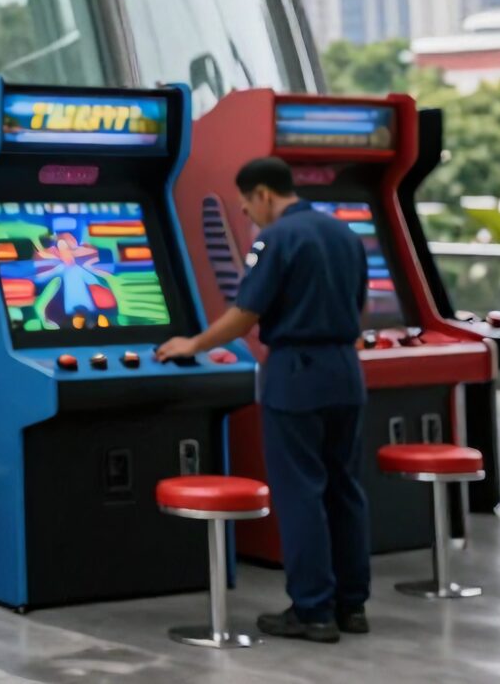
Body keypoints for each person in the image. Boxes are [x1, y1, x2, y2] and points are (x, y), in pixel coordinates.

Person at [157, 155, 371, 643]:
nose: (249, 216)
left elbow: (245, 313)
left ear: (264, 195)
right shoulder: (345, 235)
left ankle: (312, 610)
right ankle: (351, 606)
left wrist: (191, 344)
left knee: (301, 493)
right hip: (345, 371)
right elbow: (359, 307)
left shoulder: (276, 239)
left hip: (296, 374)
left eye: (247, 208)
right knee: (345, 489)